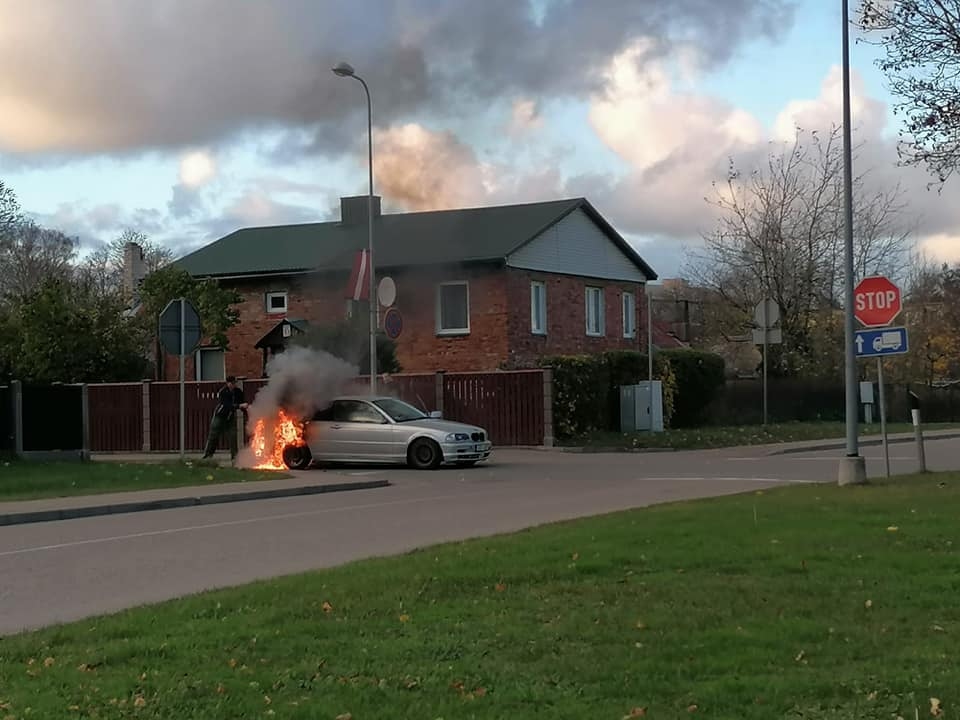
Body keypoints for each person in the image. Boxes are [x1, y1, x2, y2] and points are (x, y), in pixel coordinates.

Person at [202, 376, 249, 462]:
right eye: (232, 383)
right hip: (220, 416)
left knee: (233, 436)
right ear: (228, 383)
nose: (234, 385)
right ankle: (208, 456)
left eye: (235, 383)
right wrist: (239, 406)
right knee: (213, 435)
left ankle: (234, 458)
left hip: (230, 417)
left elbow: (242, 404)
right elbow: (227, 405)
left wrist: (249, 414)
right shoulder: (223, 392)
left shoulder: (238, 392)